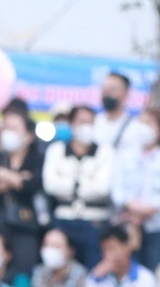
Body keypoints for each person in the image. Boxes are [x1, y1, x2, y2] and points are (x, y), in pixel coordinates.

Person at [113, 107, 160, 270]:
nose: (142, 127)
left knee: (157, 271)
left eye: (148, 123)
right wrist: (131, 206)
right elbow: (116, 188)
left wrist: (152, 208)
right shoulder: (125, 155)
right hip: (128, 225)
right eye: (141, 122)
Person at [44, 107, 116, 267]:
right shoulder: (56, 150)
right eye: (82, 122)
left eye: (90, 122)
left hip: (95, 221)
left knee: (93, 268)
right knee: (60, 267)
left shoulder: (105, 152)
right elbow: (50, 185)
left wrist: (70, 185)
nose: (86, 127)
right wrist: (85, 183)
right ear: (72, 124)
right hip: (64, 218)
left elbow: (103, 187)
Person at [0, 105, 44, 281]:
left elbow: (33, 185)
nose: (8, 133)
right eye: (6, 128)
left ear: (29, 136)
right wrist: (18, 180)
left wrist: (4, 175)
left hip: (25, 222)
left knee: (23, 269)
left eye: (14, 129)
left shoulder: (36, 159)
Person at [91, 70, 150, 160]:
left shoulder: (136, 127)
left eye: (112, 89)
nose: (107, 94)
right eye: (104, 89)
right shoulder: (93, 123)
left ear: (126, 93)